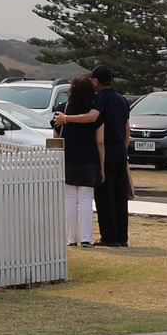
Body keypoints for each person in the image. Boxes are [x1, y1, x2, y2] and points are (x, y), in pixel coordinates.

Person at [55, 74, 104, 248]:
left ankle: (70, 238)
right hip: (89, 159)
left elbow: (55, 137)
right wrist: (102, 166)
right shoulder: (94, 112)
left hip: (68, 159)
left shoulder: (62, 109)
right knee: (85, 199)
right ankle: (85, 238)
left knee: (69, 199)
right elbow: (100, 141)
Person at [92, 65, 132, 247]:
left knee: (104, 196)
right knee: (120, 196)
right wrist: (123, 148)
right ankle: (122, 237)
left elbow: (94, 119)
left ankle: (109, 237)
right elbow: (127, 129)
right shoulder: (122, 100)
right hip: (120, 152)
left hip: (106, 152)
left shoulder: (100, 99)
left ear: (95, 81)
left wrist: (67, 119)